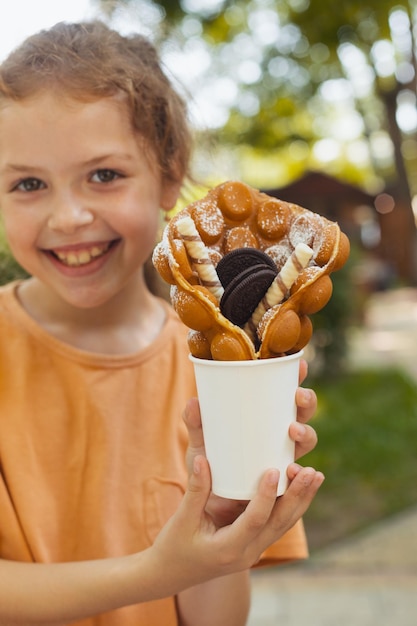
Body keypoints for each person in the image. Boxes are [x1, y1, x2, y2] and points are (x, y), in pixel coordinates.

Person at [0, 21, 324, 626]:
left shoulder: (222, 370)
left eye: (104, 175)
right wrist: (159, 570)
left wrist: (226, 521)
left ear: (170, 175)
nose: (68, 216)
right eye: (28, 183)